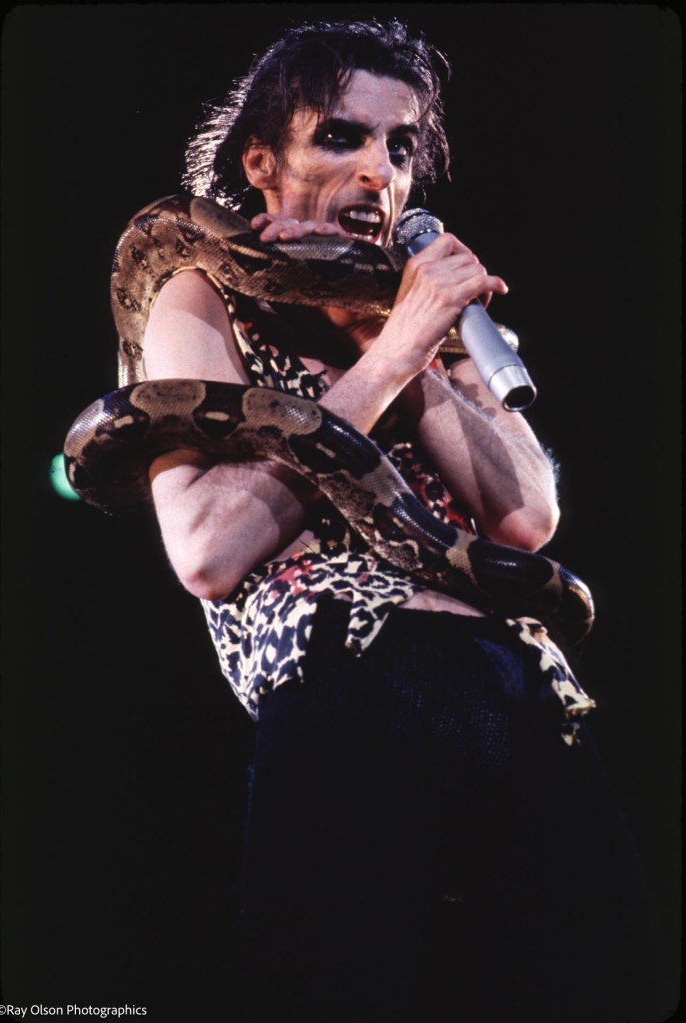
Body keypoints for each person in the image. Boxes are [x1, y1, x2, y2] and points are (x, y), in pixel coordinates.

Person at [135, 19, 671, 1023]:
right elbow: (207, 548)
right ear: (261, 162)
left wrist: (406, 342)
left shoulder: (416, 319)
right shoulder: (200, 301)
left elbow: (528, 517)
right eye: (341, 136)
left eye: (401, 145)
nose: (379, 171)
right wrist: (387, 358)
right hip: (351, 680)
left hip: (524, 695)